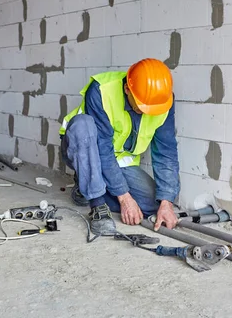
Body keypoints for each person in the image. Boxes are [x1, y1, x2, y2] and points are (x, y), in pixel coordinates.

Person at [59, 58, 180, 236]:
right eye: (141, 107)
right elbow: (102, 149)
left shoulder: (162, 101)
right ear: (127, 89)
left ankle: (86, 186)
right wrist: (124, 198)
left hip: (120, 162)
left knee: (153, 203)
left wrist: (166, 201)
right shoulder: (101, 90)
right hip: (85, 150)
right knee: (82, 124)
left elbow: (166, 152)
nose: (146, 113)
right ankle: (97, 204)